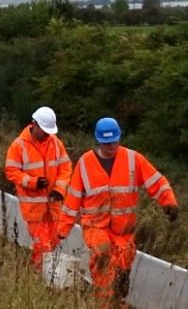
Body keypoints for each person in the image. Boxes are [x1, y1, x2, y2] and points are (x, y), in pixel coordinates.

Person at [63, 117, 180, 304]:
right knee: (103, 257)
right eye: (106, 143)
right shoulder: (85, 164)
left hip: (124, 231)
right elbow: (72, 199)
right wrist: (63, 229)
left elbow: (156, 182)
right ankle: (104, 303)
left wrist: (169, 202)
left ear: (120, 138)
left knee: (122, 271)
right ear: (98, 141)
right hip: (95, 227)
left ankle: (117, 300)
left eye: (114, 142)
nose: (111, 146)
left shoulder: (134, 160)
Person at [4, 107, 74, 268]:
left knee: (54, 242)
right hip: (34, 207)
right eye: (44, 130)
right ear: (34, 124)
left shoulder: (56, 143)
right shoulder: (19, 146)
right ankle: (40, 277)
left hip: (53, 206)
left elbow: (65, 168)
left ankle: (47, 276)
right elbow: (11, 171)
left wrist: (59, 189)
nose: (46, 134)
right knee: (42, 246)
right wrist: (31, 182)